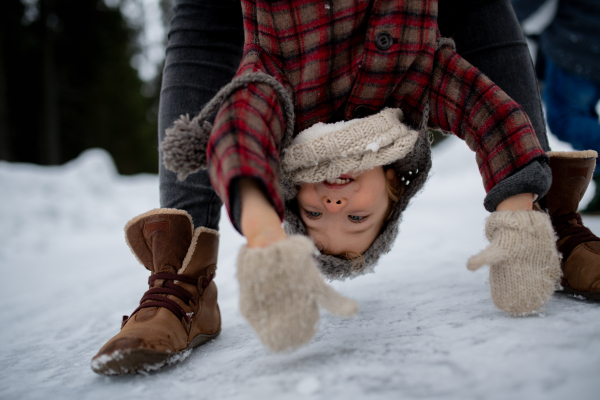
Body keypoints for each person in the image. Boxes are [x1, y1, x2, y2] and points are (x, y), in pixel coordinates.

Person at [90, 0, 596, 376]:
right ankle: (544, 224)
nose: (333, 203)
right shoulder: (414, 81)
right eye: (356, 218)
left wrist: (267, 237)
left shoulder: (275, 86)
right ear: (394, 187)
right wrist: (517, 216)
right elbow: (490, 113)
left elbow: (238, 130)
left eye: (313, 216)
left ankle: (182, 274)